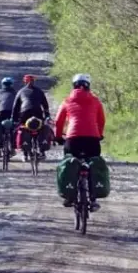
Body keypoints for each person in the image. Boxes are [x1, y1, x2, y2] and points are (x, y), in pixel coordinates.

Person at [54, 73, 106, 209]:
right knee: (92, 164)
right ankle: (93, 199)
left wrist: (58, 136)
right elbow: (101, 120)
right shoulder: (95, 100)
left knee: (70, 163)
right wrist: (99, 134)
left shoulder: (67, 100)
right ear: (88, 85)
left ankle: (69, 196)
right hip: (92, 139)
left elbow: (59, 121)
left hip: (73, 139)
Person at [11, 74, 51, 161]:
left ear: (25, 81)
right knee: (41, 128)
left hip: (25, 113)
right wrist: (47, 116)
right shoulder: (40, 91)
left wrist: (13, 119)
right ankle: (42, 152)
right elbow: (45, 105)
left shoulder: (21, 91)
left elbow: (15, 107)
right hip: (37, 112)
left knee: (23, 128)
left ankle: (25, 154)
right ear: (33, 81)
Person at [0, 76, 17, 157]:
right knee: (14, 129)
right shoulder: (15, 93)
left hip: (0, 113)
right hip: (12, 113)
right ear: (11, 84)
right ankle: (12, 149)